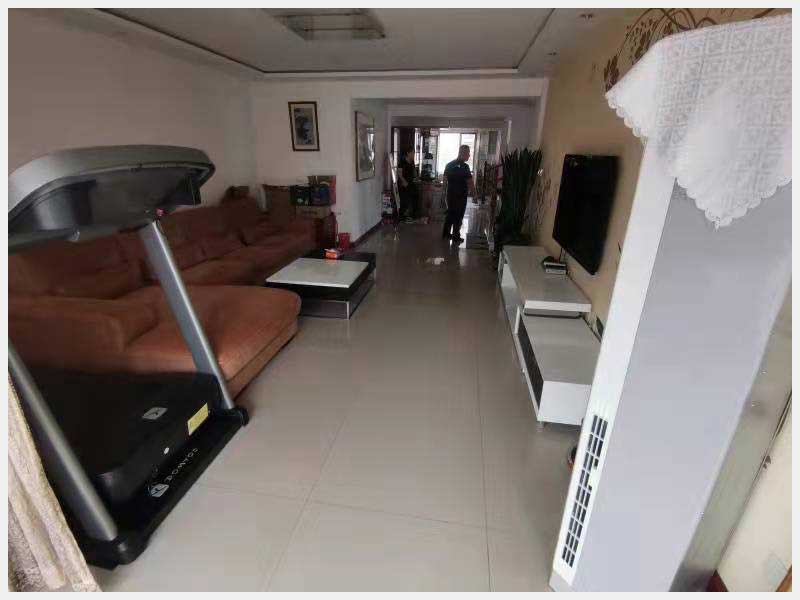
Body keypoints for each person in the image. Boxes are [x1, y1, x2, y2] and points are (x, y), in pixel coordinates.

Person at [442, 144, 475, 242]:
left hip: (450, 194)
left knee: (450, 213)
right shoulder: (465, 167)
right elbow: (470, 182)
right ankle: (456, 236)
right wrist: (475, 194)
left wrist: (444, 193)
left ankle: (446, 234)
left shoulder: (449, 164)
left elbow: (444, 181)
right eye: (468, 153)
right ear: (463, 153)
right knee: (459, 216)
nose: (469, 155)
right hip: (461, 195)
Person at [397, 148, 417, 220]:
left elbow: (414, 172)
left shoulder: (412, 162)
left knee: (414, 198)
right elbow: (399, 173)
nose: (413, 154)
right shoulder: (402, 162)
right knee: (404, 200)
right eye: (412, 153)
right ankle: (402, 216)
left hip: (411, 183)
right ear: (408, 153)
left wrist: (415, 176)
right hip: (404, 184)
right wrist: (404, 181)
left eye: (414, 153)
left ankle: (411, 215)